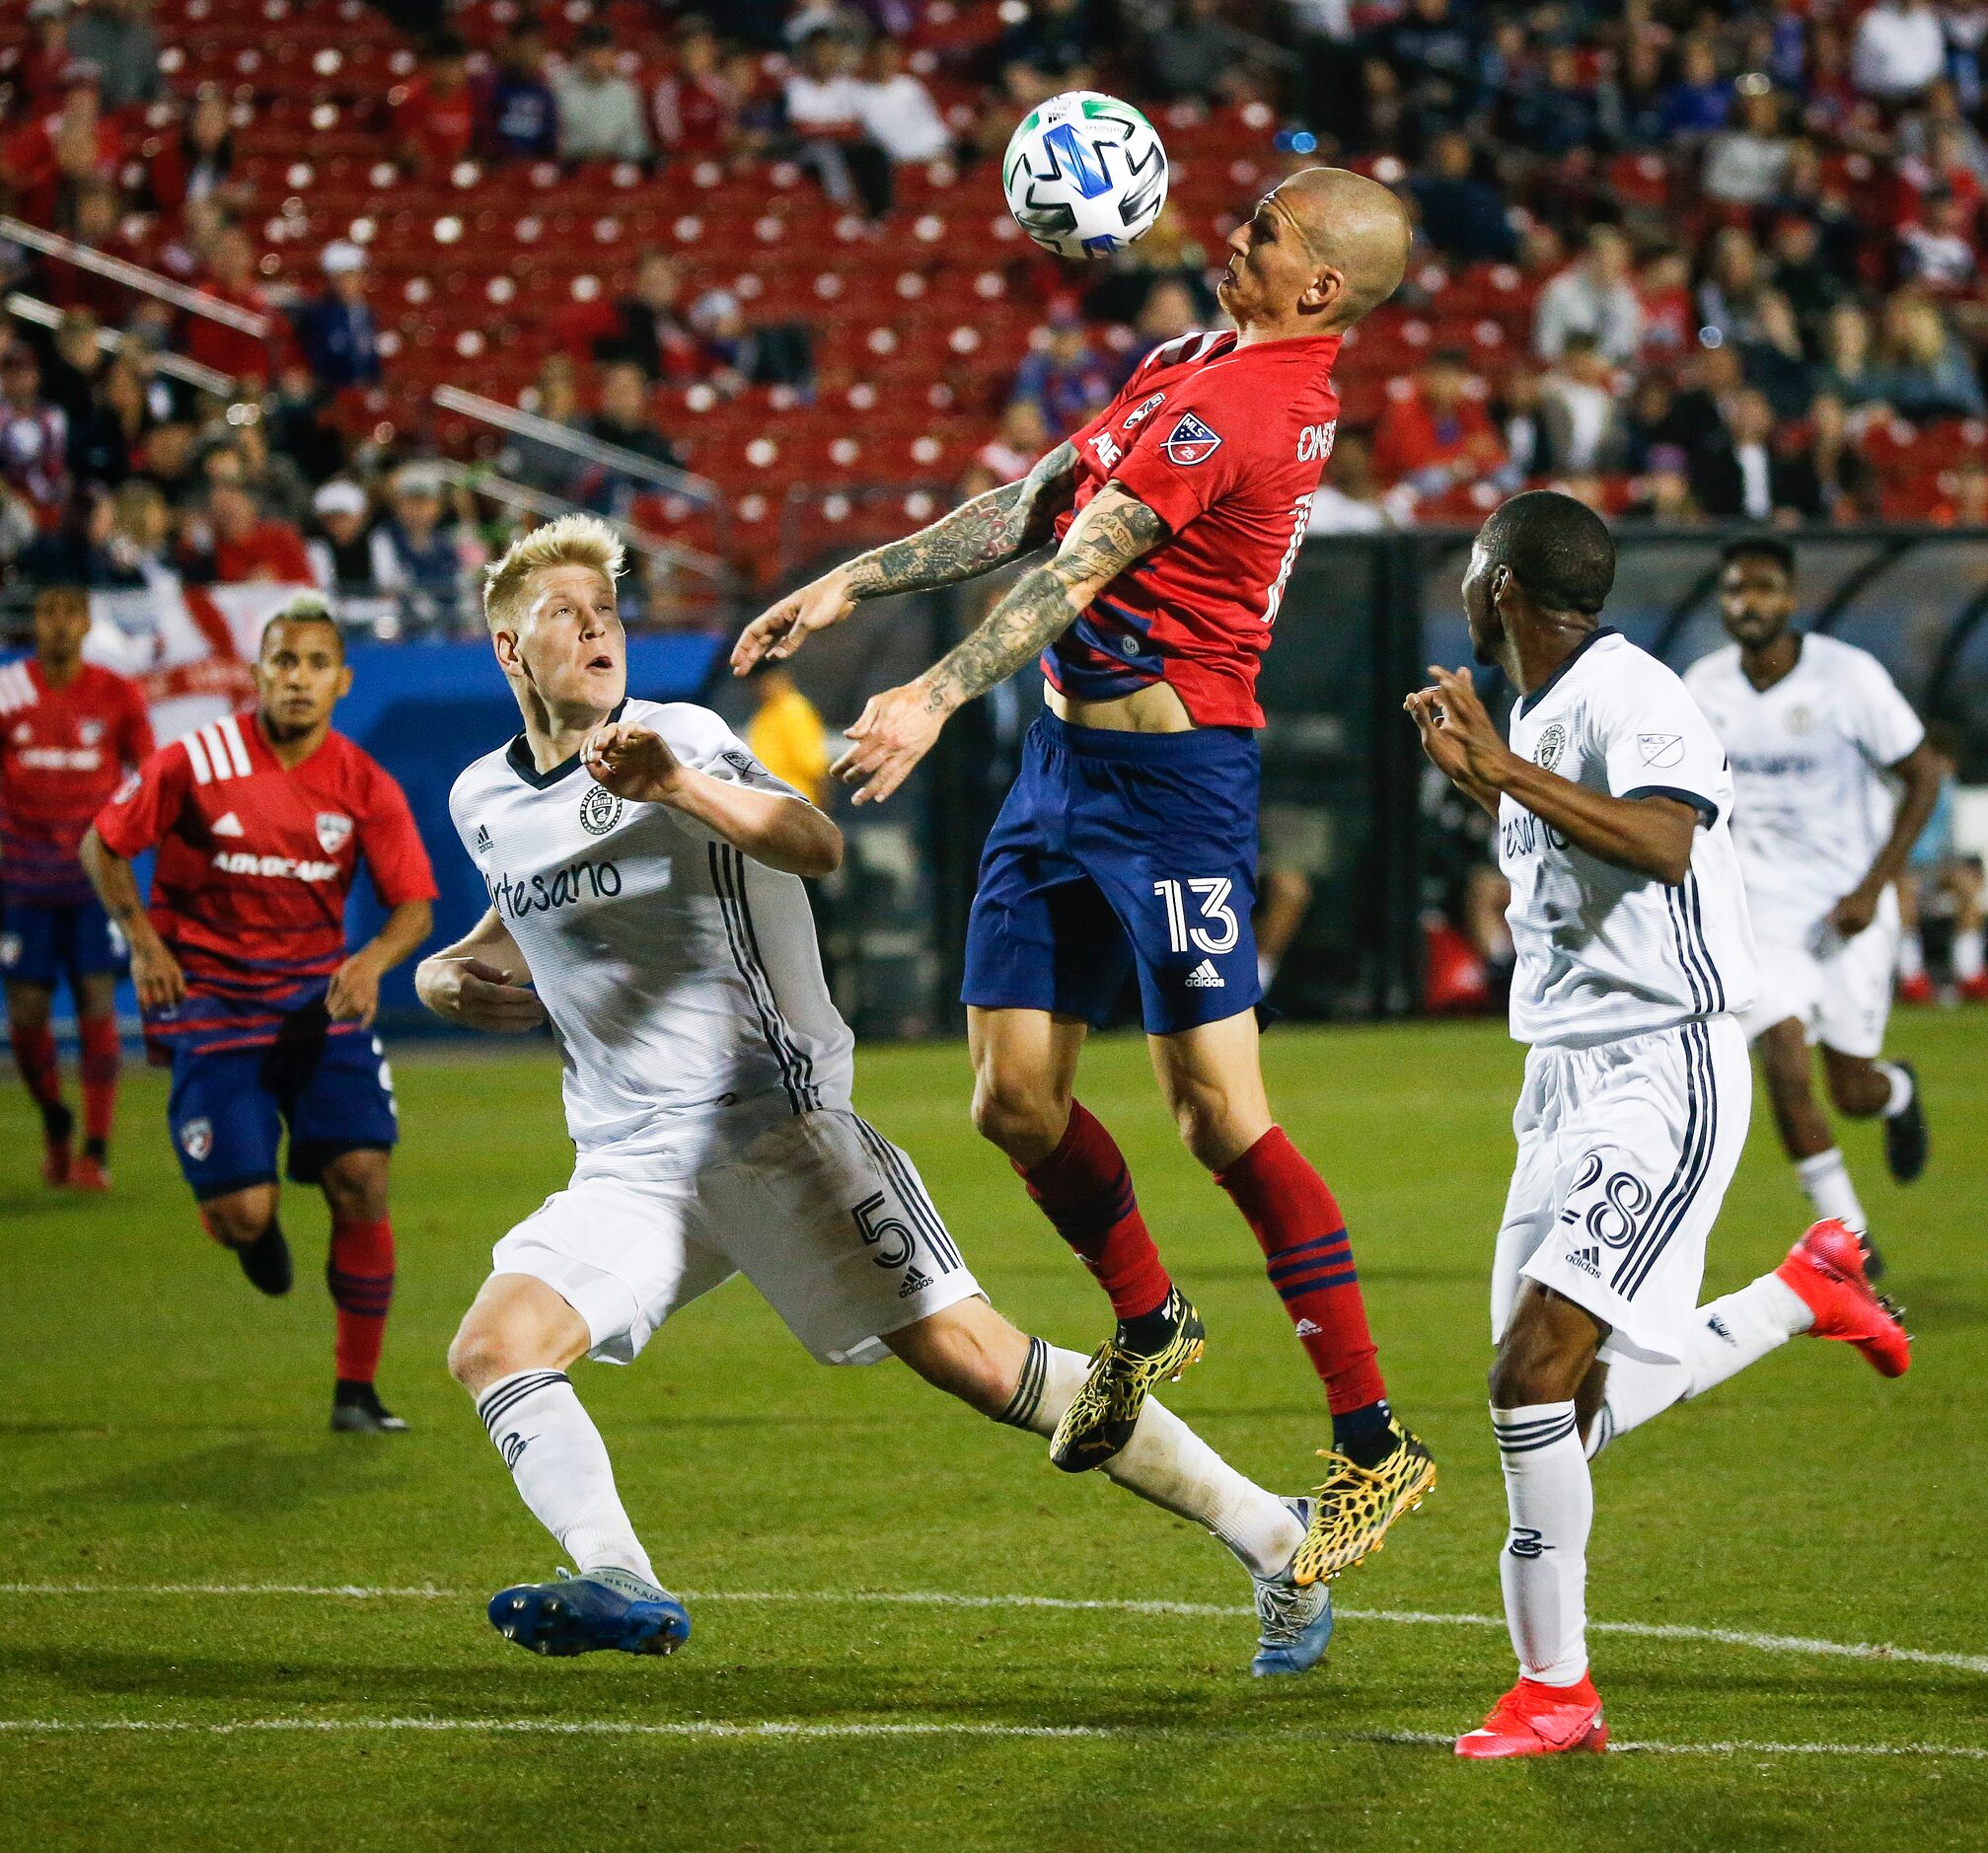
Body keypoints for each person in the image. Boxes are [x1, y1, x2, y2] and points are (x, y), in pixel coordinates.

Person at [418, 515, 1336, 1675]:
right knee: (496, 1347)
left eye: (606, 611)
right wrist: (442, 970)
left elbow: (811, 841)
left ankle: (1270, 1535)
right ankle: (621, 1577)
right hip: (630, 1162)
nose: (597, 629)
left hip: (775, 1128)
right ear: (508, 648)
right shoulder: (479, 799)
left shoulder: (679, 735)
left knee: (980, 1362)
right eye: (565, 614)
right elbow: (519, 905)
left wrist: (681, 789)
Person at [730, 169, 1435, 1588]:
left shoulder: (1242, 405)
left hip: (1174, 795)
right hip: (1059, 773)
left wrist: (926, 695)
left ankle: (1371, 1442)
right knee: (1010, 1099)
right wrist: (855, 580)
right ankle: (1149, 1316)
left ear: (1318, 291)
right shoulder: (1191, 357)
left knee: (1219, 1116)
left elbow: (1078, 568)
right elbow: (1041, 499)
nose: (1224, 243)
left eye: (1261, 239)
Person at [1406, 491, 1910, 1759]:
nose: (1464, 589)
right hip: (1559, 1084)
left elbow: (1666, 845)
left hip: (1658, 1074)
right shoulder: (1535, 708)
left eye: (1473, 569)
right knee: (1557, 1412)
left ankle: (1555, 1695)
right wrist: (1488, 779)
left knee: (1527, 1376)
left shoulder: (1634, 693)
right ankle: (1800, 1291)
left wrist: (1499, 771)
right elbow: (1573, 857)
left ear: (1501, 583)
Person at [80, 603, 438, 1433]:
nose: (299, 678)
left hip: (318, 1007)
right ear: (258, 673)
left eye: (317, 664)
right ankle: (252, 1230)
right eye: (284, 661)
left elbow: (414, 905)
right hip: (211, 1007)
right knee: (242, 1214)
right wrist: (141, 941)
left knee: (363, 1179)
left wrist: (371, 961)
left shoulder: (363, 783)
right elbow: (103, 843)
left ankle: (357, 1393)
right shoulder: (194, 761)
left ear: (341, 682)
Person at [1683, 539, 1942, 1275]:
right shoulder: (1701, 686)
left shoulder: (1846, 678)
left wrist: (1873, 886)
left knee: (1850, 1090)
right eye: (1734, 591)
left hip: (1847, 908)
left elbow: (1921, 775)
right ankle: (1852, 1245)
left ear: (1790, 600)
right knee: (1784, 1068)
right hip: (1760, 911)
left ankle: (1894, 1092)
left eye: (1763, 590)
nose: (1747, 604)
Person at [0, 581, 153, 1188]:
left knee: (95, 1001)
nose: (59, 624)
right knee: (27, 1014)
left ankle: (95, 1148)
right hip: (21, 882)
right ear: (34, 622)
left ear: (88, 624)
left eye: (70, 614)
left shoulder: (116, 693)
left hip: (94, 883)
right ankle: (55, 1119)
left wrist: (125, 841)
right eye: (47, 613)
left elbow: (148, 772)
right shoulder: (8, 688)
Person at [745, 666, 831, 807]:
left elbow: (814, 767)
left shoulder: (794, 710)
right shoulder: (764, 714)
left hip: (795, 804)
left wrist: (822, 812)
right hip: (769, 804)